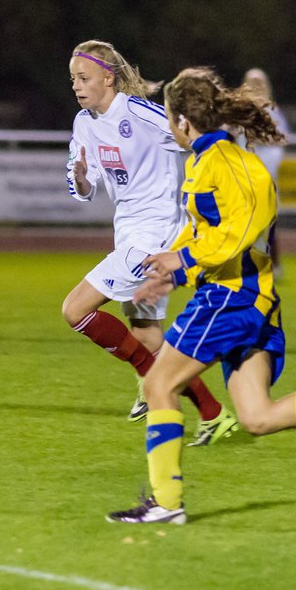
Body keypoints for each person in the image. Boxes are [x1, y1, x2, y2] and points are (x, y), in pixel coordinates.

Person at [107, 68, 296, 525]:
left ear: (183, 122)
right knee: (257, 417)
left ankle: (166, 503)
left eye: (168, 118)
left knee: (158, 386)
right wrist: (172, 266)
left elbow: (240, 234)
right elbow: (209, 232)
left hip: (231, 300)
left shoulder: (229, 165)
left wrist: (184, 263)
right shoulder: (205, 160)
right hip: (243, 298)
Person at [62, 40, 237, 444]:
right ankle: (212, 414)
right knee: (146, 334)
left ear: (109, 77)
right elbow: (80, 186)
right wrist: (83, 177)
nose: (76, 86)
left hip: (155, 236)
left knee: (75, 310)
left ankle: (150, 378)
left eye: (84, 78)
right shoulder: (84, 123)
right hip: (128, 231)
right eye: (72, 79)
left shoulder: (139, 113)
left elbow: (194, 136)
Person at [241, 68, 289, 273]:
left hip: (265, 173)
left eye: (259, 82)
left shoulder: (272, 110)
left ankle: (273, 264)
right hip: (244, 173)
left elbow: (282, 139)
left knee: (268, 219)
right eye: (252, 82)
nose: (255, 86)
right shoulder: (239, 110)